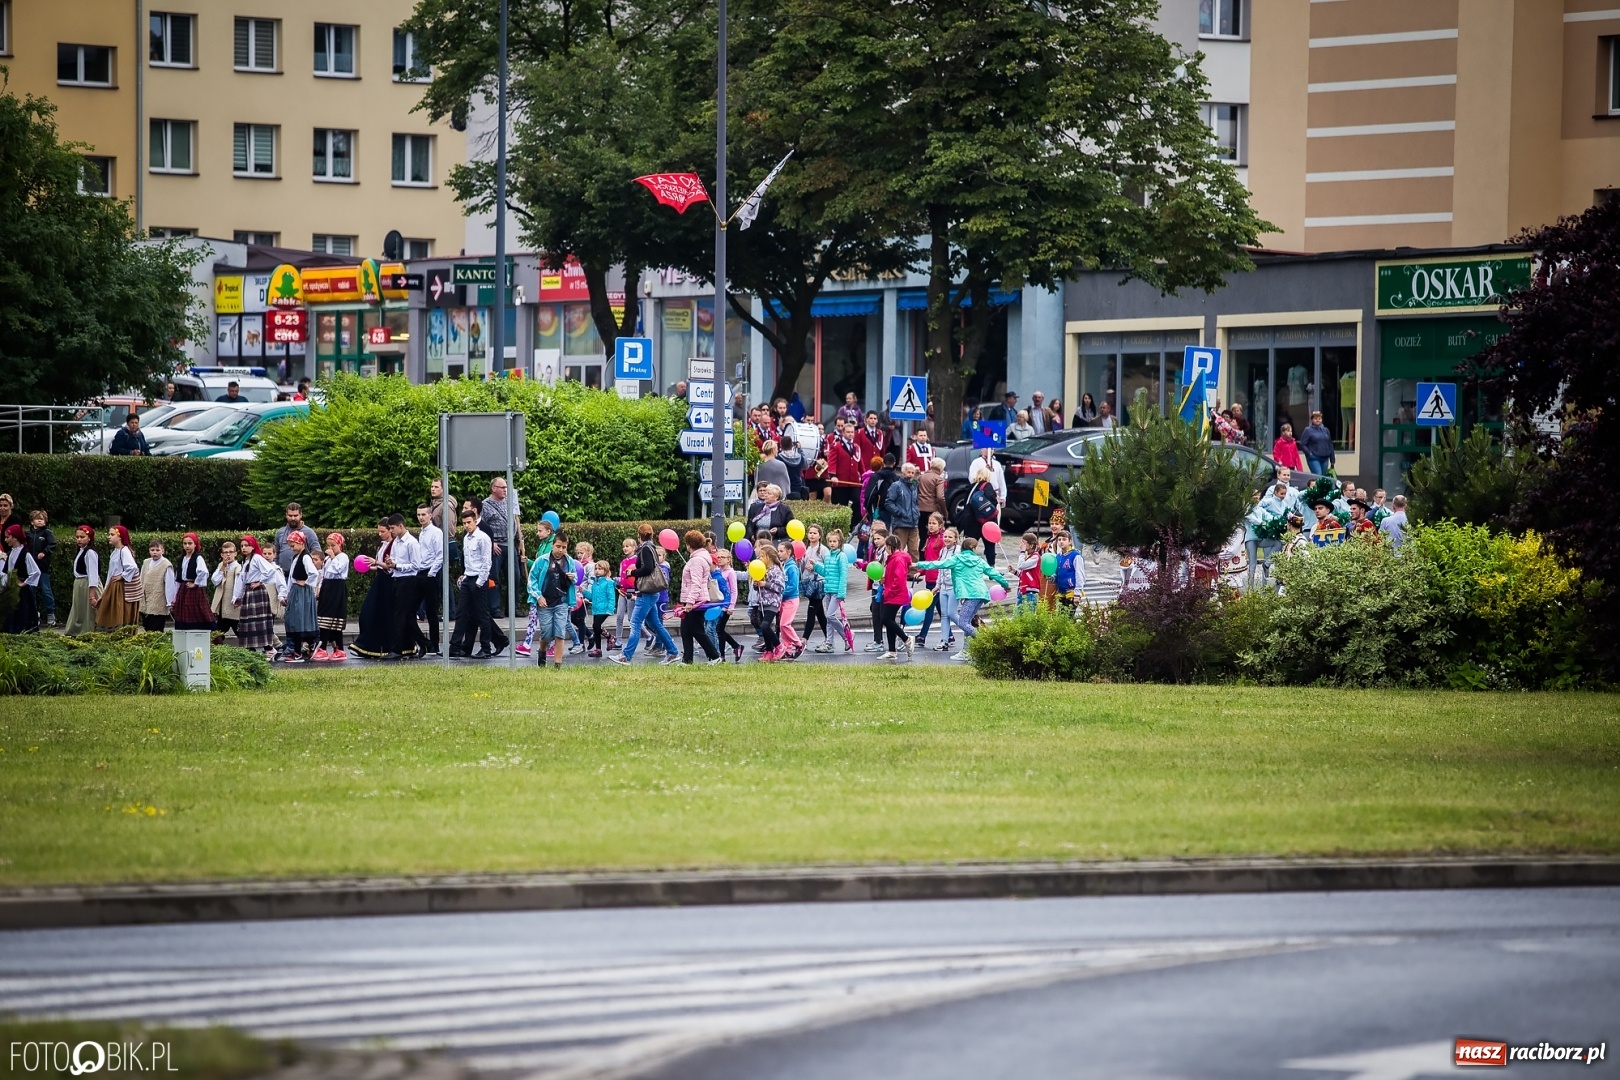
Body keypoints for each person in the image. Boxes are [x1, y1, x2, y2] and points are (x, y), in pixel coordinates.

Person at [916, 535, 1012, 661]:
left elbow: (937, 564)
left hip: (971, 595)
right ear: (972, 548)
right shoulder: (979, 560)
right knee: (968, 621)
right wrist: (1005, 585)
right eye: (976, 548)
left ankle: (987, 641)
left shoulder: (956, 559)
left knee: (963, 622)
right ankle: (966, 651)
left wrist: (918, 564)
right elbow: (993, 573)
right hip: (980, 594)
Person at [611, 524, 680, 665]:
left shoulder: (645, 549)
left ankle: (626, 656)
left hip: (646, 592)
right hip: (651, 592)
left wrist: (633, 572)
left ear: (639, 535)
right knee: (656, 624)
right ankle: (672, 652)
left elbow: (648, 568)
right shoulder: (651, 547)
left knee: (635, 623)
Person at [451, 509, 506, 658]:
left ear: (475, 521)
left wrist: (480, 582)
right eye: (464, 523)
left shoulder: (482, 538)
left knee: (482, 615)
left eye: (469, 522)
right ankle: (455, 647)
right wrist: (465, 577)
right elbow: (468, 560)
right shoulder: (466, 538)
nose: (467, 526)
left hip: (479, 579)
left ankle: (486, 648)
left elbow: (486, 562)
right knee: (461, 613)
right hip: (468, 577)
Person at [673, 530, 722, 665]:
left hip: (695, 600)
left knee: (696, 630)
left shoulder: (697, 560)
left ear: (689, 545)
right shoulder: (699, 558)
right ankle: (687, 659)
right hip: (694, 598)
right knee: (686, 630)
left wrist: (689, 602)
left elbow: (696, 583)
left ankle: (714, 656)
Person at [381, 512, 426, 660]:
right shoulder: (397, 542)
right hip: (397, 579)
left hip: (408, 581)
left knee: (401, 616)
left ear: (401, 526)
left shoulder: (411, 542)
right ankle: (423, 642)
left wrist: (397, 565)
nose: (391, 531)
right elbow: (395, 560)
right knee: (406, 617)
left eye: (393, 528)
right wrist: (390, 563)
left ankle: (397, 649)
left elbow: (415, 565)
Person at [528, 537, 577, 669]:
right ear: (553, 545)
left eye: (564, 547)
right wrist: (538, 597)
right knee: (547, 633)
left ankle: (557, 665)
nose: (561, 550)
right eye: (558, 546)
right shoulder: (541, 561)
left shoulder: (569, 561)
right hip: (545, 603)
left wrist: (573, 578)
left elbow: (575, 578)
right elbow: (531, 580)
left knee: (560, 632)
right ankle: (542, 651)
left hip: (562, 602)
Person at [350, 520, 397, 658]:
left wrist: (376, 562)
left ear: (390, 530)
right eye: (379, 531)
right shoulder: (381, 545)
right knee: (368, 612)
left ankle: (380, 646)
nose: (380, 534)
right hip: (380, 580)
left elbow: (391, 566)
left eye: (383, 531)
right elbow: (382, 565)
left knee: (382, 614)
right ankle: (367, 645)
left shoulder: (394, 545)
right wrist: (372, 567)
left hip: (388, 583)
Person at [232, 535, 279, 657]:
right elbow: (242, 580)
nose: (243, 548)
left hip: (257, 592)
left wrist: (260, 581)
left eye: (246, 545)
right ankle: (251, 649)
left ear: (252, 547)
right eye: (242, 546)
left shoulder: (257, 558)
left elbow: (271, 570)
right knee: (248, 621)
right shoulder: (245, 561)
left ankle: (269, 649)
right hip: (248, 592)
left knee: (258, 620)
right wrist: (238, 597)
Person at [481, 477, 521, 617]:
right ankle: (494, 608)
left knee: (515, 577)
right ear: (494, 488)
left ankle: (513, 608)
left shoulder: (510, 503)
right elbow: (481, 526)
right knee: (494, 578)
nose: (505, 490)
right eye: (502, 487)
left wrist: (519, 541)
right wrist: (490, 542)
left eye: (506, 487)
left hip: (510, 544)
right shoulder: (485, 505)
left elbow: (515, 522)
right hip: (495, 546)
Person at [278, 530, 320, 662]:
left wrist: (306, 583)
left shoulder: (306, 557)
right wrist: (287, 593)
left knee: (297, 620)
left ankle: (298, 651)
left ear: (301, 543)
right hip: (296, 590)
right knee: (295, 620)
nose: (291, 548)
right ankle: (310, 644)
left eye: (293, 545)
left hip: (302, 592)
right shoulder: (297, 557)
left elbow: (314, 573)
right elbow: (291, 578)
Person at [876, 534, 914, 661]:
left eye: (886, 546)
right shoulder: (895, 558)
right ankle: (892, 651)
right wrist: (885, 580)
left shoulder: (898, 559)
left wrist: (889, 590)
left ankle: (906, 639)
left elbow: (898, 579)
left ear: (889, 546)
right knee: (889, 621)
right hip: (893, 592)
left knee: (886, 619)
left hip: (895, 594)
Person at [414, 502, 446, 656]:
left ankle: (434, 645)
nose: (421, 517)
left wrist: (431, 573)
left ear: (430, 515)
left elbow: (439, 555)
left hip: (430, 573)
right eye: (419, 515)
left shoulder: (436, 532)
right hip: (420, 572)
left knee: (432, 612)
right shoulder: (422, 532)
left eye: (423, 514)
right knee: (412, 609)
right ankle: (424, 643)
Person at [313, 533, 349, 660]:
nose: (330, 548)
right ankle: (335, 647)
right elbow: (324, 574)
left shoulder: (343, 557)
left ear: (340, 545)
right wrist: (319, 587)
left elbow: (337, 570)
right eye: (328, 545)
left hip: (337, 588)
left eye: (333, 545)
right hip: (327, 588)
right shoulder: (328, 559)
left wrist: (333, 557)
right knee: (323, 618)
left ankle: (326, 648)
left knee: (331, 618)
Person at [169, 533, 215, 631]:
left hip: (194, 591)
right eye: (185, 543)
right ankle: (184, 637)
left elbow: (203, 571)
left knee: (196, 612)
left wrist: (195, 583)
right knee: (183, 613)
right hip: (183, 589)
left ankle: (204, 635)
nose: (187, 546)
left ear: (195, 544)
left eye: (190, 543)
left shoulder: (198, 557)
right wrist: (175, 596)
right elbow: (178, 578)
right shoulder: (182, 559)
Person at [62, 525, 102, 637]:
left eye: (82, 537)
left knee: (89, 611)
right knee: (80, 610)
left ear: (89, 538)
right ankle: (78, 631)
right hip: (80, 583)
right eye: (77, 537)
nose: (79, 539)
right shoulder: (81, 551)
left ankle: (89, 632)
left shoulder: (90, 553)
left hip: (87, 584)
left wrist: (92, 595)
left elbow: (93, 574)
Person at [2, 525, 41, 633]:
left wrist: (25, 583)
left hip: (22, 591)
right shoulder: (11, 553)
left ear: (15, 537)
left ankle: (23, 631)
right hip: (12, 587)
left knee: (23, 611)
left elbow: (36, 571)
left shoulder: (25, 553)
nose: (5, 540)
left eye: (7, 537)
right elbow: (7, 571)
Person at [753, 544, 787, 662]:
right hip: (762, 602)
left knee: (765, 625)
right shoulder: (763, 570)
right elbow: (757, 588)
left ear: (770, 557)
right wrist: (756, 585)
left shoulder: (776, 570)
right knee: (763, 628)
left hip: (772, 602)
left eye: (762, 556)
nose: (760, 559)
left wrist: (765, 584)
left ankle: (779, 646)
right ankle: (768, 651)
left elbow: (780, 587)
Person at [711, 548, 745, 661]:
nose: (719, 559)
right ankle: (736, 646)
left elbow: (734, 591)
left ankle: (722, 654)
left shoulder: (730, 572)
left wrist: (731, 606)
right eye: (718, 557)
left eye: (722, 557)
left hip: (726, 604)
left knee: (719, 629)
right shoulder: (717, 571)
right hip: (717, 604)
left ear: (729, 559)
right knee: (718, 629)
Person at [135, 539, 175, 633]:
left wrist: (170, 602)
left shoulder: (166, 565)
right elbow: (141, 578)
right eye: (152, 550)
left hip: (159, 599)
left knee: (156, 625)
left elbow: (169, 585)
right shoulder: (146, 562)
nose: (155, 552)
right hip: (146, 598)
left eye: (157, 550)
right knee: (146, 624)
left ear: (163, 551)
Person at [26, 510, 56, 628]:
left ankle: (50, 613)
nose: (39, 521)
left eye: (42, 519)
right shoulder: (27, 534)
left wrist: (44, 552)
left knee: (46, 591)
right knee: (31, 592)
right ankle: (34, 614)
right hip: (31, 569)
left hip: (42, 568)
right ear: (32, 521)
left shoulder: (47, 533)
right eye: (37, 518)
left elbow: (52, 544)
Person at [885, 462, 922, 558]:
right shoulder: (896, 485)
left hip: (913, 523)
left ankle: (913, 572)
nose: (911, 475)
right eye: (908, 472)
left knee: (914, 550)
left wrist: (916, 513)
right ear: (903, 473)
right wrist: (899, 512)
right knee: (898, 550)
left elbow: (915, 502)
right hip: (901, 523)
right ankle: (897, 569)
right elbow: (888, 503)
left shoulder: (914, 486)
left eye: (913, 473)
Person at [776, 540, 805, 659]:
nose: (779, 553)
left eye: (781, 551)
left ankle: (798, 643)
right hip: (783, 600)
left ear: (789, 552)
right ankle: (787, 649)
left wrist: (780, 593)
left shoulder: (792, 567)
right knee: (782, 626)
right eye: (778, 551)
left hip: (791, 600)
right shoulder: (784, 565)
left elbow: (793, 586)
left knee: (784, 624)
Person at [274, 504, 320, 577]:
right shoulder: (280, 532)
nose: (293, 518)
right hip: (282, 576)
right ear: (286, 515)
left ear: (301, 515)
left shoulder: (309, 532)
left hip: (302, 578)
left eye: (295, 516)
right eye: (290, 515)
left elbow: (317, 554)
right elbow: (275, 554)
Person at [824, 419, 863, 506]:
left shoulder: (856, 447)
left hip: (854, 482)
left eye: (852, 432)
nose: (850, 434)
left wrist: (864, 476)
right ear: (843, 433)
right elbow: (832, 462)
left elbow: (860, 463)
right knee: (840, 505)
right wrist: (833, 476)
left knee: (856, 504)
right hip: (841, 482)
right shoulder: (836, 446)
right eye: (848, 432)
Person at [210, 540, 242, 640]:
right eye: (225, 552)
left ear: (235, 553)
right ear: (222, 554)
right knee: (217, 635)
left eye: (231, 552)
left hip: (234, 607)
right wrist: (223, 567)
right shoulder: (221, 565)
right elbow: (215, 581)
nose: (228, 555)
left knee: (241, 634)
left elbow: (238, 585)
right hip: (223, 608)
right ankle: (218, 653)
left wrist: (237, 598)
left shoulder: (238, 567)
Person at [586, 560, 616, 657]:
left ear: (606, 570)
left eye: (600, 569)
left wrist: (610, 609)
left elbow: (611, 597)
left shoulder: (608, 583)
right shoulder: (595, 583)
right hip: (596, 609)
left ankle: (610, 637)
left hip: (604, 609)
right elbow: (592, 596)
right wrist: (584, 592)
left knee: (596, 625)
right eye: (596, 569)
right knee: (596, 628)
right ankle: (598, 649)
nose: (597, 571)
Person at [1299, 411, 1335, 475]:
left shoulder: (1326, 430)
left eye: (1319, 418)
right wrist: (1309, 453)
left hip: (1325, 457)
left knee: (1323, 477)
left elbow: (1330, 444)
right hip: (1314, 458)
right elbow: (1303, 444)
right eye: (1315, 418)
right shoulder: (1308, 430)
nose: (1317, 420)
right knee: (1318, 475)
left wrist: (1332, 460)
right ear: (1312, 420)